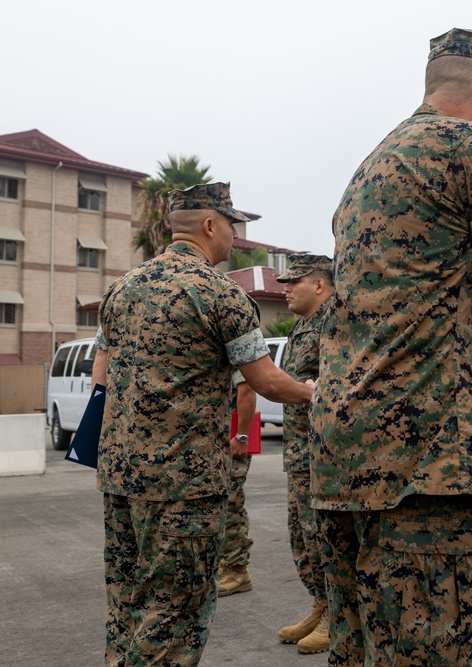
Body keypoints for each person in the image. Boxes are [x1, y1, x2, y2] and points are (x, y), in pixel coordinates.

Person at [310, 27, 472, 665]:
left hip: (343, 465)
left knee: (360, 651)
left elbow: (424, 324)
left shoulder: (369, 170)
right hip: (427, 472)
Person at [93, 182, 314, 666]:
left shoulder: (120, 290)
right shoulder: (221, 296)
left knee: (126, 604)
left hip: (120, 478)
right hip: (183, 484)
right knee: (175, 612)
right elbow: (266, 382)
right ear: (210, 226)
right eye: (233, 225)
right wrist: (315, 394)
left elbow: (101, 377)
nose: (236, 236)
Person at [272, 254, 336, 655]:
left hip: (323, 453)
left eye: (294, 281)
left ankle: (339, 614)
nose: (286, 288)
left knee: (324, 536)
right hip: (298, 453)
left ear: (319, 284)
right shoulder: (302, 326)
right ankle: (321, 603)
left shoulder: (334, 321)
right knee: (302, 536)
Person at [217, 369, 256, 596]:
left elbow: (248, 389)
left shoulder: (236, 340)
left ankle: (236, 569)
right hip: (216, 436)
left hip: (232, 439)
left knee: (230, 502)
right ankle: (224, 565)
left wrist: (242, 436)